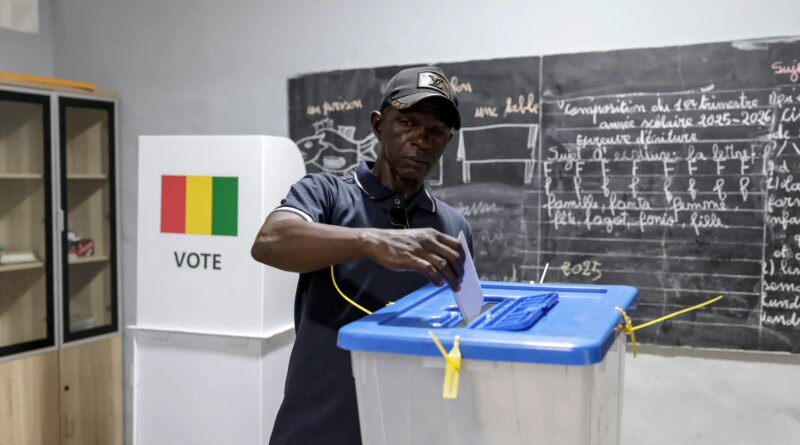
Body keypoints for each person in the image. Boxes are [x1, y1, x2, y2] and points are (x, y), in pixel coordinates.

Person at [251, 66, 473, 445]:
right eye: (407, 122)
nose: (421, 139)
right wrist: (370, 241)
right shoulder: (326, 194)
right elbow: (269, 242)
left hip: (411, 424)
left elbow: (467, 321)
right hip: (320, 424)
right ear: (378, 124)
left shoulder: (453, 226)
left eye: (436, 132)